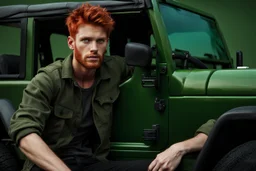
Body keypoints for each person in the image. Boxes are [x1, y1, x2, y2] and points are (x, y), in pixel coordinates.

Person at [9, 3, 214, 171]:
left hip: (91, 163)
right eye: (86, 41)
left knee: (165, 169)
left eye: (100, 41)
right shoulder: (48, 79)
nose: (94, 48)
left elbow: (149, 71)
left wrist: (178, 148)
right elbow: (24, 133)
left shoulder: (113, 68)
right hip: (49, 165)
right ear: (71, 43)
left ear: (107, 42)